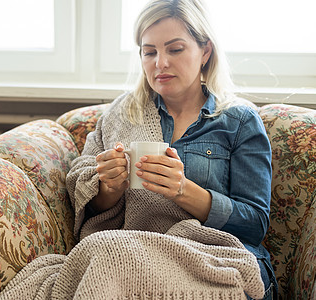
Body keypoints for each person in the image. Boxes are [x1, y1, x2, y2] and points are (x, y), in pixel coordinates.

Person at [66, 0, 277, 299]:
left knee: (109, 253)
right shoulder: (121, 115)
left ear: (205, 51)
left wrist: (184, 190)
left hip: (215, 258)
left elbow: (255, 224)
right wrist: (109, 188)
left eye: (175, 49)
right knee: (107, 251)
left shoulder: (239, 121)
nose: (160, 63)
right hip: (135, 255)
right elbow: (85, 198)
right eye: (149, 52)